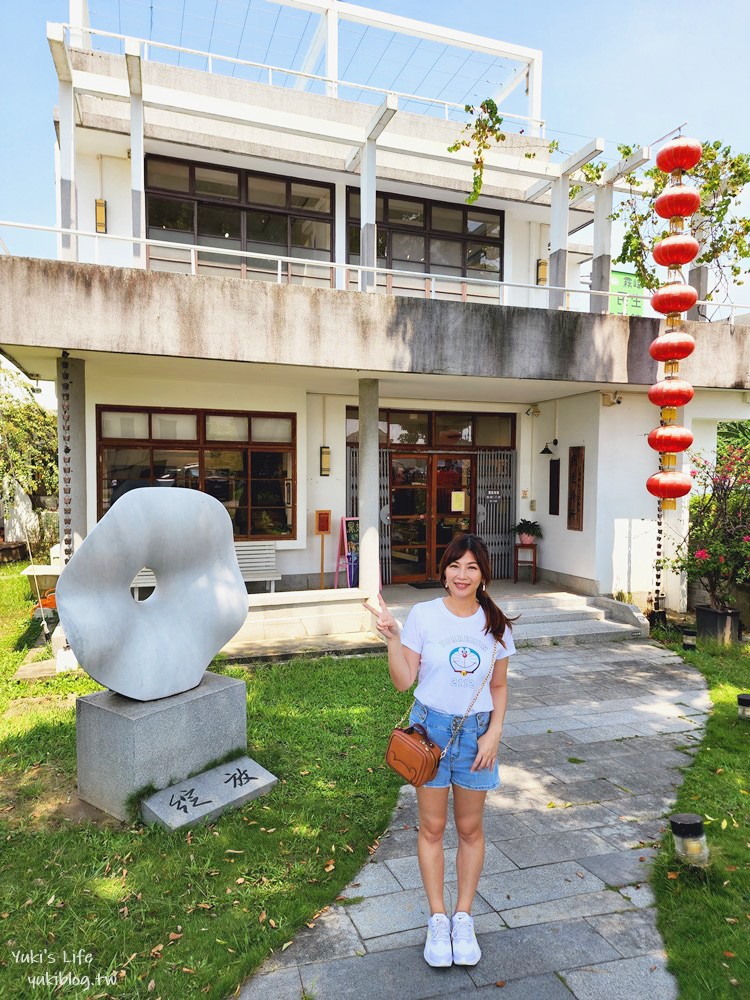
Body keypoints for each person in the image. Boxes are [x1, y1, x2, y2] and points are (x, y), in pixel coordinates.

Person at [365, 534, 515, 969]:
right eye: (454, 566)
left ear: (483, 573)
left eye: (471, 566)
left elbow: (499, 686)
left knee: (470, 828)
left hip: (476, 736)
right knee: (431, 828)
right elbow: (402, 682)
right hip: (429, 732)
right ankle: (437, 918)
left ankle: (463, 918)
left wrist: (494, 734)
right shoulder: (424, 615)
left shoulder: (496, 624)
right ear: (443, 571)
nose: (462, 575)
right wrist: (393, 639)